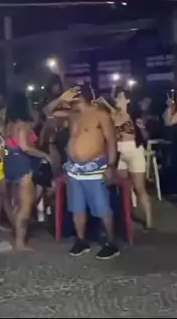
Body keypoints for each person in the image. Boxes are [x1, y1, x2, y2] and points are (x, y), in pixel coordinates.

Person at [45, 84, 120, 259]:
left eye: (74, 94)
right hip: (74, 169)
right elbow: (47, 111)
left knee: (102, 207)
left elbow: (112, 141)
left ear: (81, 97)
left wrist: (111, 166)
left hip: (95, 168)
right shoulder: (72, 115)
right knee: (77, 207)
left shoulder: (100, 115)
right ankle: (81, 240)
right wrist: (61, 98)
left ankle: (111, 243)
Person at [96, 88, 152, 230]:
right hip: (119, 152)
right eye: (116, 98)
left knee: (139, 188)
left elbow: (145, 136)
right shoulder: (113, 115)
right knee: (122, 188)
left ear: (127, 100)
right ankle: (125, 218)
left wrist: (142, 129)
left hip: (134, 151)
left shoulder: (135, 115)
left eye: (120, 97)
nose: (117, 100)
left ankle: (149, 221)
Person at [4, 92, 50, 250]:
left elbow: (9, 145)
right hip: (23, 164)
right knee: (25, 206)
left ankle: (17, 235)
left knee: (18, 203)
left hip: (11, 163)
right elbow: (25, 147)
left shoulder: (9, 125)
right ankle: (20, 243)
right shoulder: (23, 125)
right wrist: (43, 154)